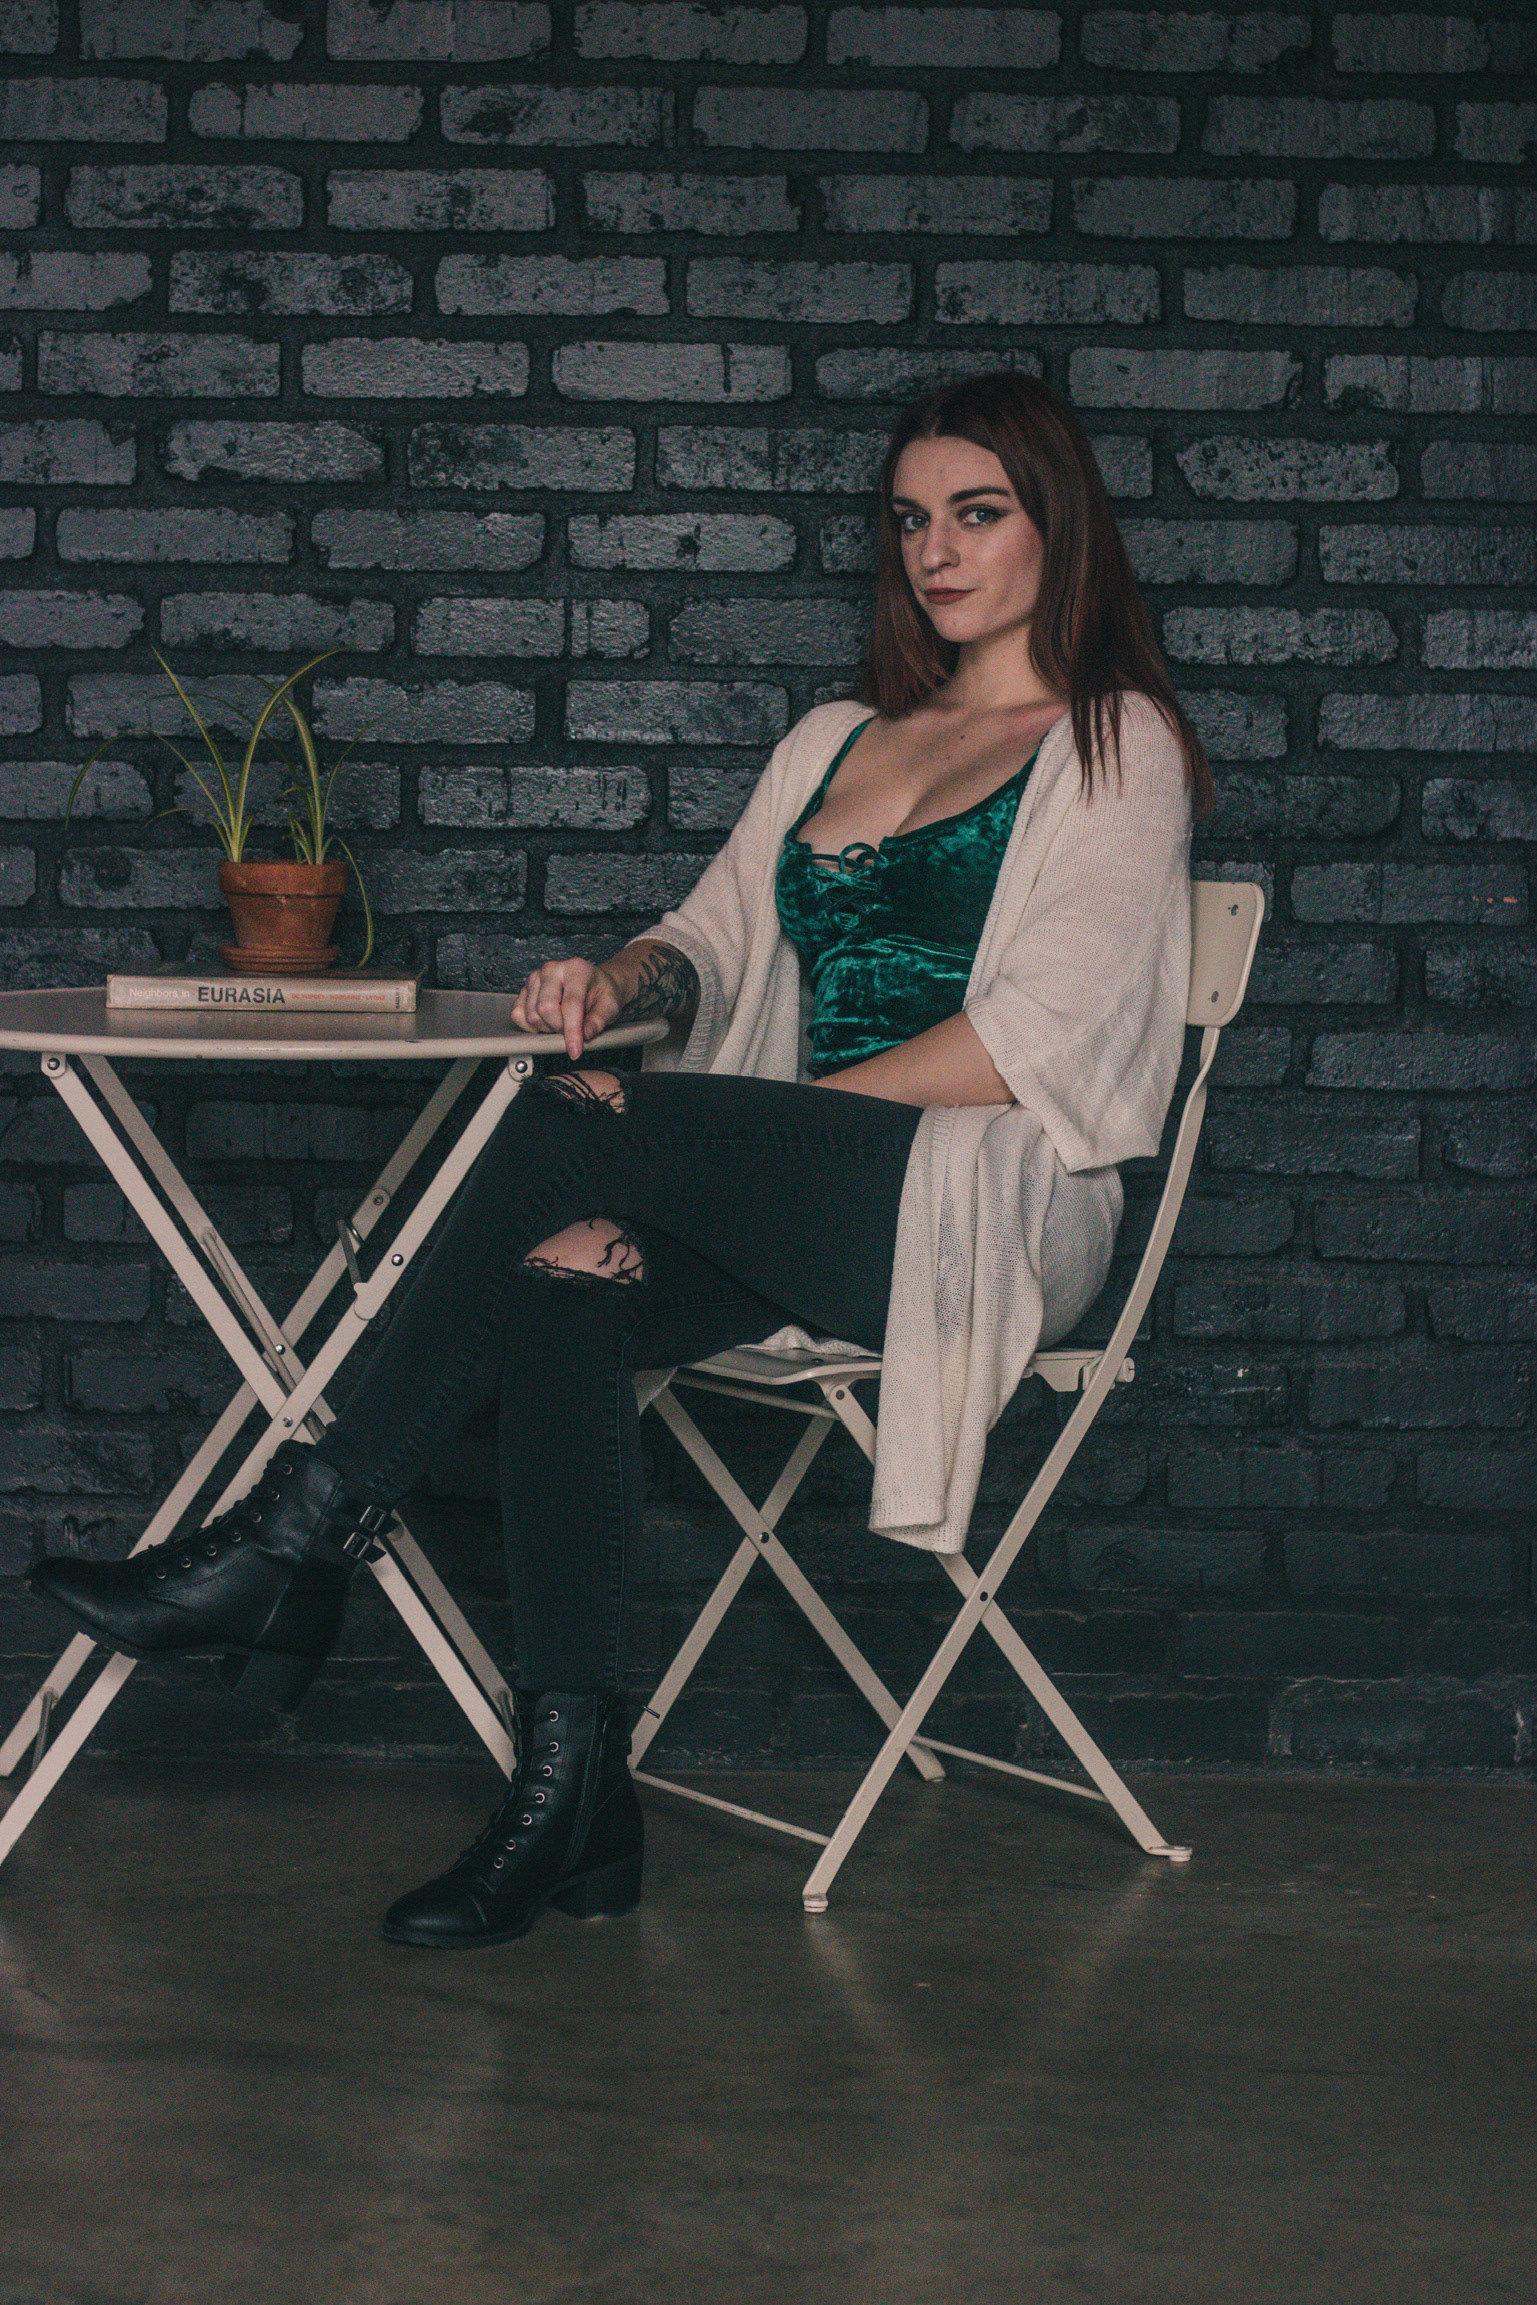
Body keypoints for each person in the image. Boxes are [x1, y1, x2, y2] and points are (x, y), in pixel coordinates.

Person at [29, 371, 1211, 1951]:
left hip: (980, 1200)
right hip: (795, 1197)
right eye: (911, 519)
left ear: (1056, 524)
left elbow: (1030, 1041)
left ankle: (292, 1536)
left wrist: (737, 1136)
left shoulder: (1113, 743)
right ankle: (572, 1798)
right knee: (557, 1283)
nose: (936, 550)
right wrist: (617, 982)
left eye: (977, 513)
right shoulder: (837, 739)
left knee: (581, 1125)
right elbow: (703, 942)